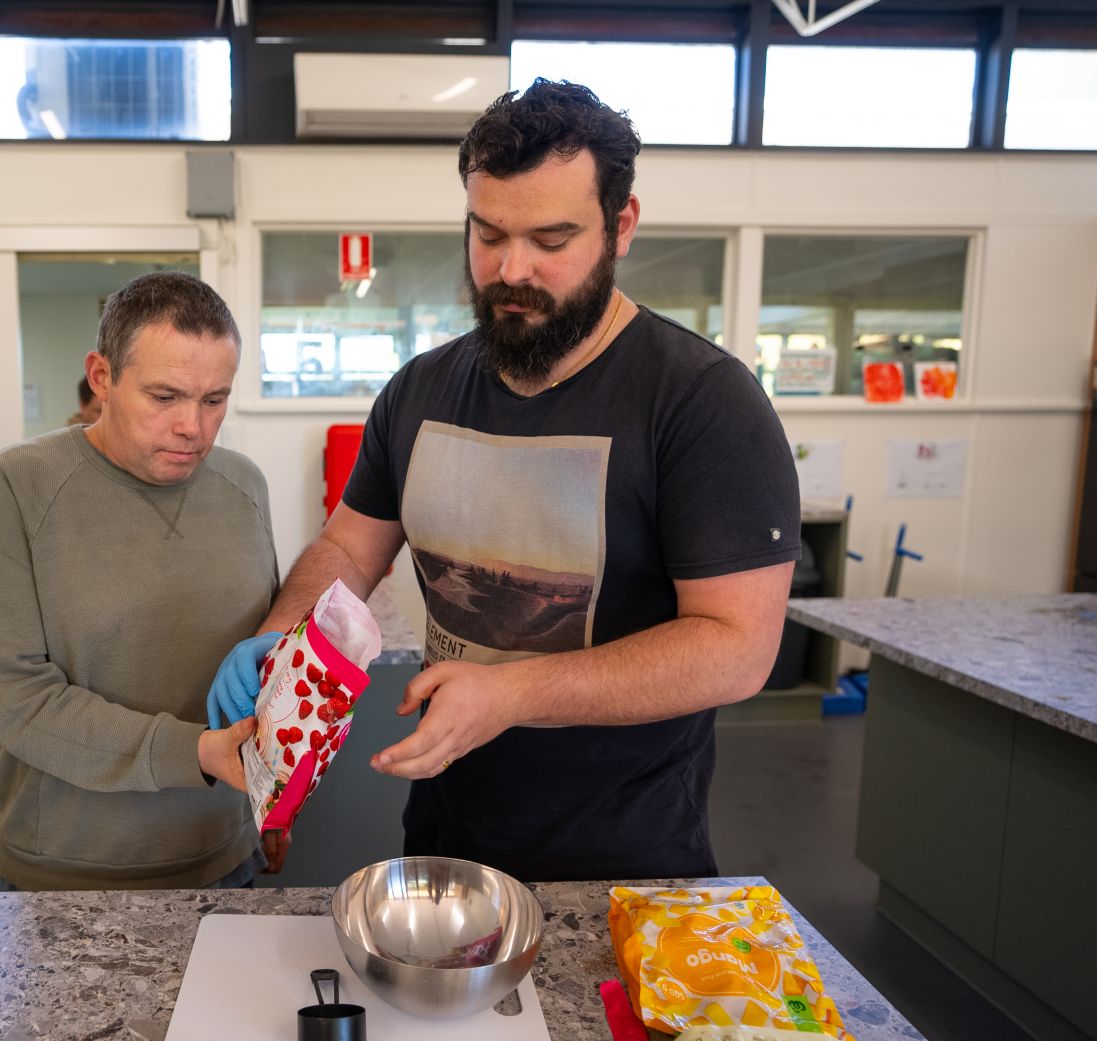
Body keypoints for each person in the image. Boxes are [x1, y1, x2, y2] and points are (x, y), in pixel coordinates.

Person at [207, 80, 800, 883]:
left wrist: (513, 693)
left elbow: (736, 649)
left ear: (621, 226)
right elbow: (351, 543)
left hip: (623, 856)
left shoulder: (702, 401)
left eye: (552, 240)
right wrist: (280, 635)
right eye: (488, 235)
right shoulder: (420, 389)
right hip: (447, 828)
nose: (511, 270)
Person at [0, 272, 281, 891]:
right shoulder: (16, 488)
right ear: (102, 377)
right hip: (68, 871)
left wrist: (270, 807)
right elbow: (13, 694)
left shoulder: (244, 486)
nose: (194, 426)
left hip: (224, 855)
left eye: (215, 399)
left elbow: (262, 661)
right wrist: (197, 753)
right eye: (165, 396)